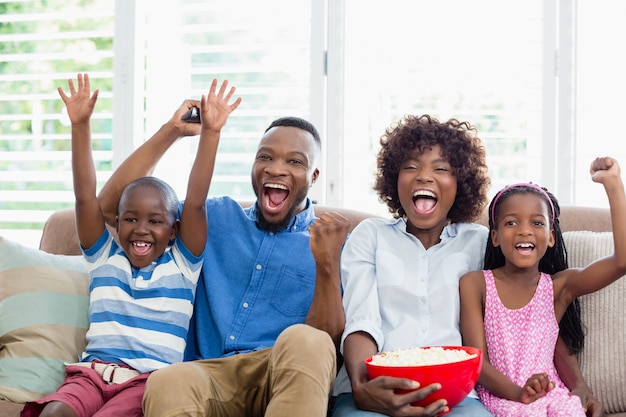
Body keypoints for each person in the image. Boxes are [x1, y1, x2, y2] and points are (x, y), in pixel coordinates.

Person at [331, 114, 604, 417]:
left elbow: (532, 315)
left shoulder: (480, 242)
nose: (424, 176)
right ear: (394, 178)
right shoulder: (370, 236)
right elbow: (361, 322)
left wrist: (579, 384)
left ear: (459, 183)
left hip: (457, 396)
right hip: (376, 390)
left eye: (441, 168)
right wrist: (361, 386)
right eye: (411, 167)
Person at [95, 99, 351, 415]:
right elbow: (111, 209)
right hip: (206, 376)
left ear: (314, 176)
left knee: (307, 340)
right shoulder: (214, 218)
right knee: (166, 381)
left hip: (280, 374)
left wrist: (326, 264)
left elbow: (325, 345)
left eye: (294, 162)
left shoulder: (334, 241)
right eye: (265, 157)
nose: (275, 168)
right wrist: (171, 131)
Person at [21, 74, 241, 417]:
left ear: (174, 230)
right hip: (91, 376)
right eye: (130, 219)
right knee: (54, 413)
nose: (141, 230)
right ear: (117, 222)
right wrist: (80, 126)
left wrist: (211, 133)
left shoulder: (183, 265)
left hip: (146, 383)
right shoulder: (105, 256)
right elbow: (85, 198)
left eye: (155, 221)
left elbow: (195, 201)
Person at [459, 157, 626, 417]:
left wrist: (613, 184)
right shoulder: (475, 283)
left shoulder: (558, 288)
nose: (524, 231)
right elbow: (477, 362)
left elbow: (621, 262)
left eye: (536, 222)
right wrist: (519, 393)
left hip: (552, 396)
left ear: (550, 237)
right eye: (511, 222)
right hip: (505, 397)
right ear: (494, 236)